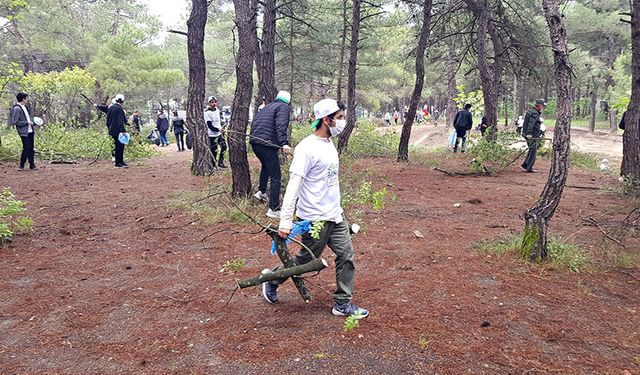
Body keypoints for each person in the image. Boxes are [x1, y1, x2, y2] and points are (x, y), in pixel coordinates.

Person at [261, 98, 369, 319]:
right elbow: (293, 185)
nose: (342, 122)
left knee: (346, 255)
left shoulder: (329, 145)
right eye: (339, 118)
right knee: (307, 262)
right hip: (314, 218)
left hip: (334, 214)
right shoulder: (306, 148)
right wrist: (285, 221)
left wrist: (338, 210)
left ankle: (342, 303)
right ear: (326, 120)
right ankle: (272, 279)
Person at [249, 90, 292, 218]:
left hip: (255, 142)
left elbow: (255, 123)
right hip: (266, 144)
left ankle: (262, 191)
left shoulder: (268, 106)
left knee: (267, 167)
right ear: (288, 101)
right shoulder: (283, 107)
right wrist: (284, 143)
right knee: (276, 176)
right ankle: (274, 208)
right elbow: (281, 125)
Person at [95, 94, 128, 168]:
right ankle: (119, 163)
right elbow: (121, 121)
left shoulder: (110, 108)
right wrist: (123, 131)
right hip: (118, 131)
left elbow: (104, 110)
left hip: (111, 130)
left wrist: (97, 105)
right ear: (122, 101)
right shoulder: (119, 109)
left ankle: (120, 162)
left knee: (115, 147)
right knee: (120, 147)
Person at [10, 92, 37, 170]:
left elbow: (28, 118)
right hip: (23, 132)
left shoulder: (25, 107)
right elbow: (15, 121)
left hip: (30, 130)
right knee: (26, 147)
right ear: (23, 99)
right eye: (26, 98)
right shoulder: (17, 108)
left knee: (31, 148)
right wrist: (27, 123)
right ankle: (21, 165)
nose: (27, 100)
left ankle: (32, 164)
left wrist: (33, 122)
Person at [521, 99, 546, 173]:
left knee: (531, 149)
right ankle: (529, 167)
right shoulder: (535, 113)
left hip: (529, 134)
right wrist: (529, 134)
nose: (543, 107)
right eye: (542, 106)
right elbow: (530, 124)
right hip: (532, 135)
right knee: (533, 150)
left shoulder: (530, 111)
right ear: (539, 105)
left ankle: (526, 164)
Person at [204, 96, 225, 168]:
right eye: (212, 102)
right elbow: (210, 126)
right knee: (214, 150)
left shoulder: (217, 110)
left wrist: (222, 128)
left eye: (215, 102)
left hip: (219, 133)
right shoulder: (207, 113)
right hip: (212, 135)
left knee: (224, 147)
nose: (214, 103)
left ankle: (220, 162)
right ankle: (213, 165)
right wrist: (218, 129)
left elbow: (220, 121)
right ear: (209, 103)